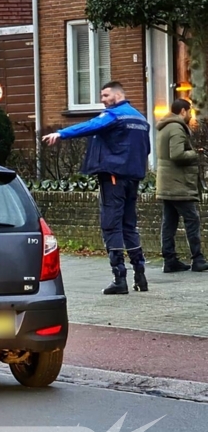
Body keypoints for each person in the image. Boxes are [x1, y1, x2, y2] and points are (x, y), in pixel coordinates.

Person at [43, 81, 152, 295]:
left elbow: (89, 126)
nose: (102, 100)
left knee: (111, 225)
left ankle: (119, 278)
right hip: (133, 177)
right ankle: (140, 276)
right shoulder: (140, 119)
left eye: (105, 96)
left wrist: (61, 133)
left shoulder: (113, 115)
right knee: (129, 225)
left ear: (118, 95)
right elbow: (146, 149)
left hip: (113, 176)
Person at [155, 98, 206, 273]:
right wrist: (195, 153)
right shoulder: (176, 127)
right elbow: (177, 154)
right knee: (192, 219)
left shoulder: (165, 126)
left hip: (167, 182)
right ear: (183, 111)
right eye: (189, 111)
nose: (191, 114)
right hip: (178, 183)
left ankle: (170, 260)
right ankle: (197, 259)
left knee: (169, 222)